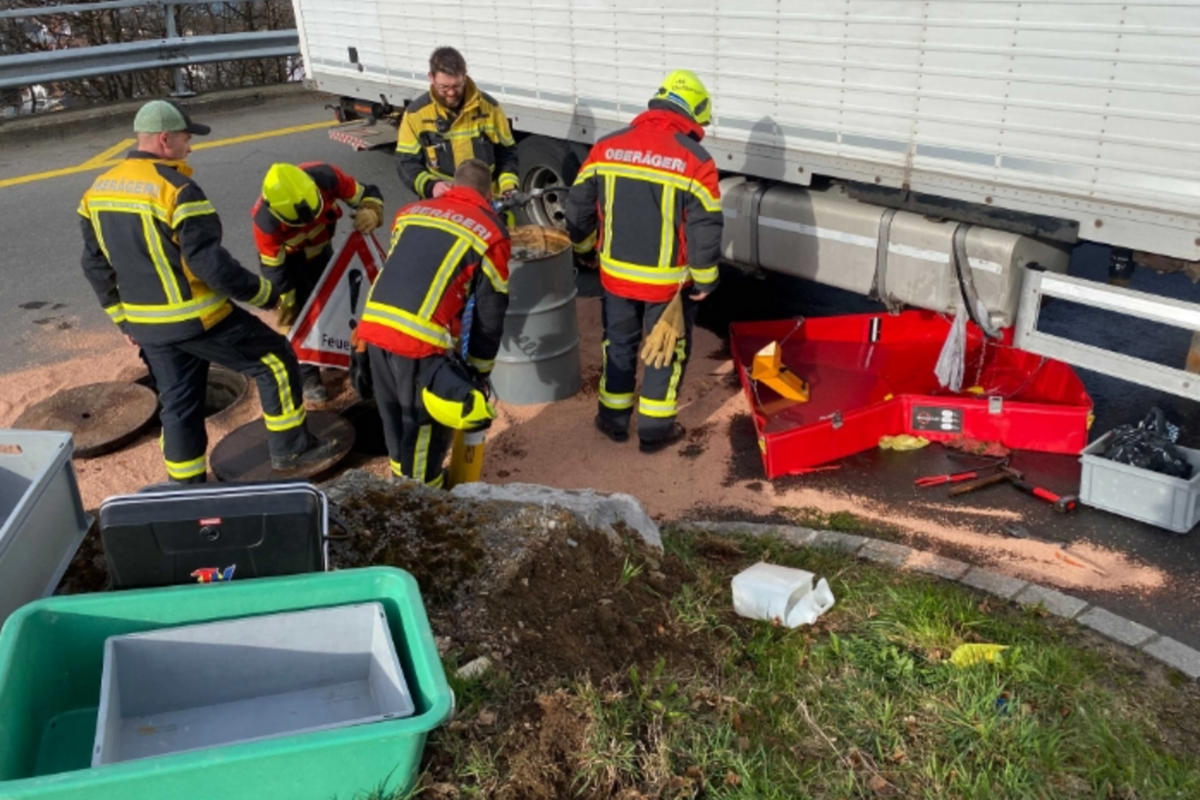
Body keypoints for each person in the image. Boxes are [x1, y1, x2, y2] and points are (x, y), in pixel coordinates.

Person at [78, 100, 337, 484]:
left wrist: (123, 321)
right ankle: (292, 450)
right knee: (276, 360)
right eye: (186, 137)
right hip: (197, 319)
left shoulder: (96, 191)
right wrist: (265, 294)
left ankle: (187, 484)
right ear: (165, 139)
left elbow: (94, 265)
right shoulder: (178, 191)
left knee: (180, 402)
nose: (190, 146)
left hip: (148, 327)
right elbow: (209, 265)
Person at [564, 70, 724, 453]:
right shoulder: (697, 160)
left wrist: (585, 248)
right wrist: (705, 280)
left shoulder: (607, 147)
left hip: (616, 278)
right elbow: (705, 225)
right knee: (665, 350)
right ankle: (653, 431)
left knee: (618, 344)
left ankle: (613, 420)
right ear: (693, 113)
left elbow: (579, 207)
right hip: (668, 286)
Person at [354, 159, 511, 488]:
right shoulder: (491, 232)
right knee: (426, 432)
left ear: (454, 185)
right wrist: (477, 371)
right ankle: (424, 508)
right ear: (489, 192)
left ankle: (401, 486)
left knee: (395, 421)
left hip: (372, 329)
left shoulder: (411, 211)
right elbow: (489, 310)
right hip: (418, 344)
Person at [252, 161, 385, 401]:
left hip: (322, 251)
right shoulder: (265, 223)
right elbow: (275, 271)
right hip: (290, 264)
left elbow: (369, 194)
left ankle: (332, 353)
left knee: (335, 301)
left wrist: (372, 211)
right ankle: (307, 374)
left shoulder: (327, 177)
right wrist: (285, 307)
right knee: (298, 314)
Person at [394, 46, 519, 202]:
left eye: (456, 86)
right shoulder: (416, 115)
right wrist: (431, 186)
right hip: (444, 203)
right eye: (444, 87)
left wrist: (508, 187)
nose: (451, 93)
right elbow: (406, 162)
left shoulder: (490, 108)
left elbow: (507, 152)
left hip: (487, 202)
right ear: (431, 78)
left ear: (464, 77)